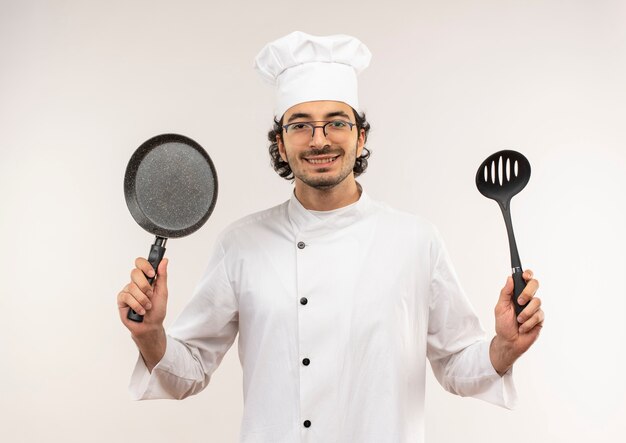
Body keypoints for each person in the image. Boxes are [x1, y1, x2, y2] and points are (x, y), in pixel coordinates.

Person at [117, 31, 544, 442]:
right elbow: (188, 372)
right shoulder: (241, 244)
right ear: (281, 145)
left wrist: (505, 346)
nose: (319, 139)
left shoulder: (417, 241)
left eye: (335, 122)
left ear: (360, 138)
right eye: (299, 125)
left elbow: (456, 364)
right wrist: (150, 333)